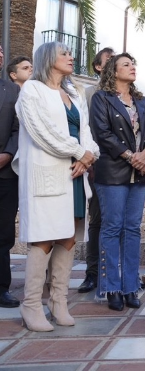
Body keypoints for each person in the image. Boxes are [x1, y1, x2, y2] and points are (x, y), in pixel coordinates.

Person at [13, 42, 99, 331]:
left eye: (70, 53)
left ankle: (58, 302)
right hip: (48, 172)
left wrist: (87, 157)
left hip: (74, 173)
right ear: (48, 58)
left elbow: (86, 132)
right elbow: (40, 131)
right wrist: (78, 152)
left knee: (69, 236)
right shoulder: (32, 90)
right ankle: (31, 304)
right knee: (44, 237)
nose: (70, 57)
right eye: (64, 53)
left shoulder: (74, 93)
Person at [90, 53, 145, 311]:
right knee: (112, 228)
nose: (132, 67)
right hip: (112, 172)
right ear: (113, 71)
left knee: (132, 229)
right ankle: (111, 288)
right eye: (126, 64)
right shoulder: (101, 98)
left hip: (139, 173)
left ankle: (131, 287)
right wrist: (132, 156)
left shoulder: (141, 100)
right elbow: (103, 134)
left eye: (133, 64)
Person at [78, 46, 114, 294]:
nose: (114, 62)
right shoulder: (89, 94)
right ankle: (92, 273)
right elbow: (86, 130)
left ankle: (116, 273)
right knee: (98, 220)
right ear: (98, 67)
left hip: (123, 167)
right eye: (109, 60)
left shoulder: (126, 94)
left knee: (120, 223)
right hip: (97, 166)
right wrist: (90, 162)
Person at [0, 45, 19, 309]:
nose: (1, 55)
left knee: (3, 233)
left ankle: (2, 287)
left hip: (5, 174)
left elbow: (18, 129)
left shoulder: (13, 90)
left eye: (1, 52)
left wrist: (7, 153)